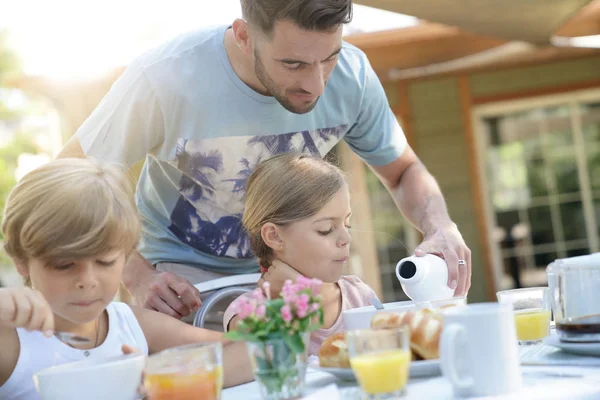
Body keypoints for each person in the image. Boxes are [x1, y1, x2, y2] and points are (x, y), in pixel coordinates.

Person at [57, 0, 471, 320]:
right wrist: (137, 274)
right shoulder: (164, 77)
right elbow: (67, 182)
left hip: (296, 271)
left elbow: (403, 173)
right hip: (181, 283)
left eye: (329, 57)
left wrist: (439, 224)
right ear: (244, 36)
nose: (316, 84)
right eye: (293, 64)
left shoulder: (354, 77)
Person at [0, 158, 252, 400]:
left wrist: (159, 380)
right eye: (64, 265)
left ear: (127, 256)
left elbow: (250, 351)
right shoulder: (12, 341)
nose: (87, 280)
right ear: (21, 261)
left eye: (105, 262)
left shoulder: (130, 325)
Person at [223, 153, 377, 355]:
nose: (345, 238)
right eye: (326, 228)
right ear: (274, 237)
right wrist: (298, 302)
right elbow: (280, 366)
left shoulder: (359, 296)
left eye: (346, 223)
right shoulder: (249, 313)